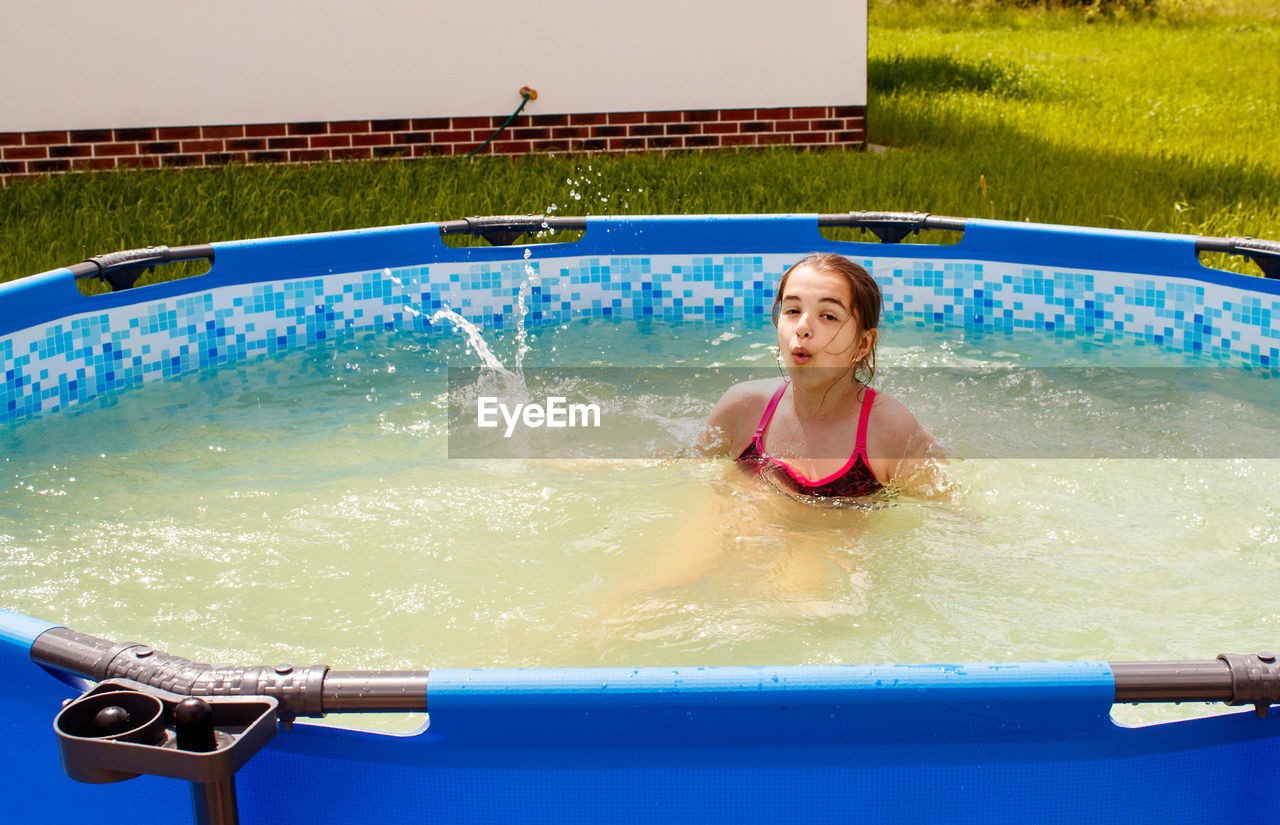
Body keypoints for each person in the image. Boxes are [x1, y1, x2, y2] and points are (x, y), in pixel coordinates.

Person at [699, 252, 947, 499]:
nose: (803, 327)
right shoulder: (742, 408)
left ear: (863, 344)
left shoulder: (891, 432)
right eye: (793, 310)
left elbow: (950, 514)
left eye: (828, 316)